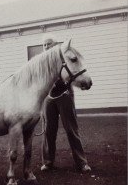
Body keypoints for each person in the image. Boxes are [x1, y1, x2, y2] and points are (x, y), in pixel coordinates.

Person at [40, 36, 91, 173]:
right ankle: (48, 162)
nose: (46, 47)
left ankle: (82, 163)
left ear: (55, 44)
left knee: (71, 129)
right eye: (44, 45)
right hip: (49, 98)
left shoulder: (63, 58)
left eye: (48, 44)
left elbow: (72, 73)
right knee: (48, 130)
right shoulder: (43, 62)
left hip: (64, 95)